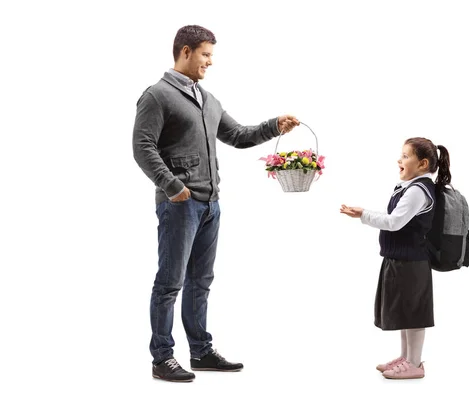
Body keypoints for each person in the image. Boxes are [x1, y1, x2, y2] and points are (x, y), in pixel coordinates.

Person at [132, 25, 300, 382]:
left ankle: (201, 351)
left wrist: (274, 126)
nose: (210, 62)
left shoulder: (208, 100)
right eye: (206, 55)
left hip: (211, 205)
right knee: (170, 282)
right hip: (180, 205)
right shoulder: (157, 95)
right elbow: (142, 147)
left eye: (212, 56)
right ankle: (162, 358)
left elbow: (238, 136)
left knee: (200, 281)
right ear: (186, 51)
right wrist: (172, 185)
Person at [340, 137, 452, 380]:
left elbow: (394, 222)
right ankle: (406, 358)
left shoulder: (417, 191)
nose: (399, 160)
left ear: (422, 164)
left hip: (412, 262)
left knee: (414, 313)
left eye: (405, 156)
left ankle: (415, 364)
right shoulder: (412, 188)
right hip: (402, 259)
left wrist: (363, 214)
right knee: (405, 312)